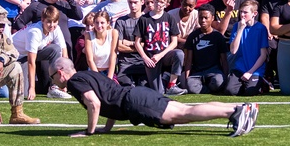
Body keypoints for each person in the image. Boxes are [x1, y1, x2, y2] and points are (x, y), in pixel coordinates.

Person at [53, 59, 258, 137]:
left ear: (61, 72)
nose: (54, 80)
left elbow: (95, 103)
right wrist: (106, 128)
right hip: (136, 96)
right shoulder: (88, 74)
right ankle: (240, 106)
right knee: (187, 109)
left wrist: (89, 132)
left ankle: (235, 112)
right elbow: (110, 97)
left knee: (185, 113)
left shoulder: (74, 82)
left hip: (135, 102)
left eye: (54, 76)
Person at [12, 4, 69, 104]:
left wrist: (64, 83)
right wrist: (32, 88)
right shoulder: (34, 32)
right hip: (16, 57)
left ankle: (54, 87)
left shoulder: (56, 29)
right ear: (42, 20)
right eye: (49, 22)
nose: (52, 25)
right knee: (24, 94)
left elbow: (64, 54)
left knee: (55, 49)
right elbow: (31, 62)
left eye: (54, 22)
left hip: (28, 55)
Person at [135, 0, 185, 95]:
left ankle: (172, 85)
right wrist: (145, 58)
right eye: (156, 1)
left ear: (167, 4)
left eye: (162, 2)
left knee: (179, 54)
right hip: (150, 57)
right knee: (158, 92)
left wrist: (160, 55)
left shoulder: (169, 18)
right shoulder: (144, 19)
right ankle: (164, 79)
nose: (158, 4)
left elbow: (174, 42)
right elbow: (137, 42)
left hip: (164, 54)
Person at [14, 0, 83, 51]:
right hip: (46, 50)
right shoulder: (36, 6)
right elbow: (19, 23)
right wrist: (32, 37)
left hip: (65, 47)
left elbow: (79, 16)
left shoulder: (63, 5)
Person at [225, 0, 270, 96]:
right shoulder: (237, 26)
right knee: (230, 91)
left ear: (254, 14)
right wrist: (240, 29)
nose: (242, 15)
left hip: (255, 69)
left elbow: (263, 55)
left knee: (250, 91)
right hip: (240, 67)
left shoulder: (261, 28)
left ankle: (262, 82)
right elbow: (233, 51)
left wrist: (250, 72)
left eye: (245, 12)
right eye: (241, 12)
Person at [182, 5, 229, 94]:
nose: (203, 20)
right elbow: (188, 60)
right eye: (200, 18)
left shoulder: (218, 36)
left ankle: (210, 86)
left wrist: (225, 77)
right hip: (197, 73)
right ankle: (207, 89)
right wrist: (187, 79)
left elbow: (224, 60)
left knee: (218, 82)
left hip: (214, 71)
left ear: (212, 18)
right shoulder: (192, 36)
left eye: (206, 18)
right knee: (191, 87)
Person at [114, 0, 148, 87]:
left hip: (143, 62)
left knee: (144, 87)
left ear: (142, 2)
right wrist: (138, 45)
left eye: (135, 2)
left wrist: (130, 43)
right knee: (127, 87)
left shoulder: (147, 21)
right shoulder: (121, 21)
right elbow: (119, 47)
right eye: (130, 2)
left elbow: (147, 45)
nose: (132, 5)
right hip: (125, 63)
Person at [84, 10, 119, 79]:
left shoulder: (113, 33)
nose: (99, 26)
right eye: (97, 23)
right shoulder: (88, 35)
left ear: (108, 23)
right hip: (94, 72)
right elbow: (90, 60)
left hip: (109, 71)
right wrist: (99, 79)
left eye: (102, 23)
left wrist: (109, 78)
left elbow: (113, 56)